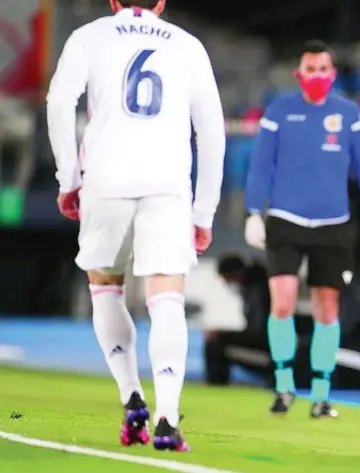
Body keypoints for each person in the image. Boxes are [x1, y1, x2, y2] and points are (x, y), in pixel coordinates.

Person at [46, 0, 225, 452]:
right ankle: (167, 417)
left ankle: (131, 397)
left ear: (113, 1)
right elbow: (212, 132)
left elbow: (59, 102)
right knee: (167, 299)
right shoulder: (188, 45)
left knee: (105, 287)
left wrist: (69, 179)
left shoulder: (88, 36)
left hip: (105, 180)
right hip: (167, 186)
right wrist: (203, 212)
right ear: (161, 3)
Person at [244, 40, 360, 418]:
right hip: (285, 220)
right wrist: (252, 212)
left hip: (333, 224)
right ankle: (284, 387)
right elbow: (261, 165)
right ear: (299, 73)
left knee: (327, 309)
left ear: (332, 73)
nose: (317, 76)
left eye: (324, 69)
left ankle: (322, 394)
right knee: (283, 303)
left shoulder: (348, 113)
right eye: (311, 70)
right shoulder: (279, 111)